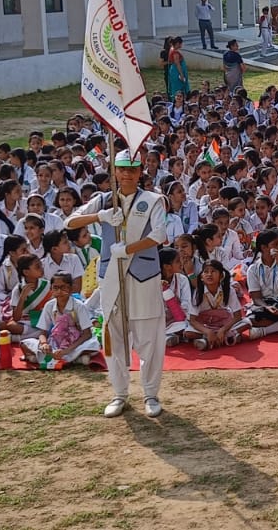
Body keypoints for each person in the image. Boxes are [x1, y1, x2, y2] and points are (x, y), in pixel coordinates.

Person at [64, 150, 171, 419]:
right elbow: (69, 222)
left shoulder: (153, 200)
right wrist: (98, 217)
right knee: (114, 337)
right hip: (110, 276)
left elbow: (159, 234)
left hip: (143, 276)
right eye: (122, 168)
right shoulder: (102, 200)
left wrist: (130, 248)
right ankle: (119, 393)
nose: (126, 174)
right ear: (114, 170)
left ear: (140, 172)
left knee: (149, 338)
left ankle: (150, 393)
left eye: (132, 169)